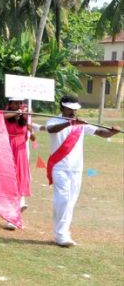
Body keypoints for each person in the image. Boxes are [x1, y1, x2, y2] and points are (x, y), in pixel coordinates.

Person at [46, 95, 120, 247]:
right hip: (60, 167)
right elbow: (51, 129)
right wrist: (70, 124)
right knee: (63, 200)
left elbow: (100, 132)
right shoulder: (54, 121)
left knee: (70, 201)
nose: (73, 112)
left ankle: (63, 233)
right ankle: (61, 234)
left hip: (76, 168)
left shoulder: (81, 124)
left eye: (75, 110)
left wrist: (112, 132)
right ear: (62, 108)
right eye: (69, 109)